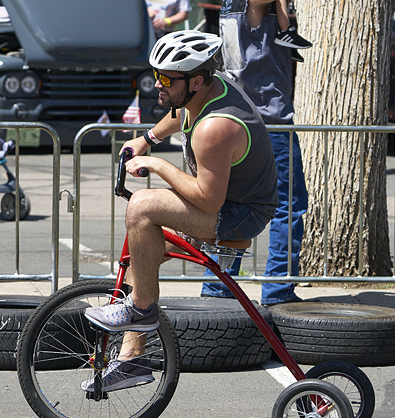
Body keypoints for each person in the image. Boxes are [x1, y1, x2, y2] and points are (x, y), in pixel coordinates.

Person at [82, 30, 278, 391]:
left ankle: (140, 309)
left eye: (167, 79)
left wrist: (157, 164)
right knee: (141, 256)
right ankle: (132, 360)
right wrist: (147, 138)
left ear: (196, 81)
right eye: (157, 75)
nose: (158, 84)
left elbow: (208, 199)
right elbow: (179, 112)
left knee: (142, 206)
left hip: (240, 213)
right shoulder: (204, 91)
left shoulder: (215, 127)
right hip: (225, 201)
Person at [212, 0, 313, 305]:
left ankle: (218, 290)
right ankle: (277, 291)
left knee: (234, 207)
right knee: (289, 206)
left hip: (237, 118)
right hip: (268, 123)